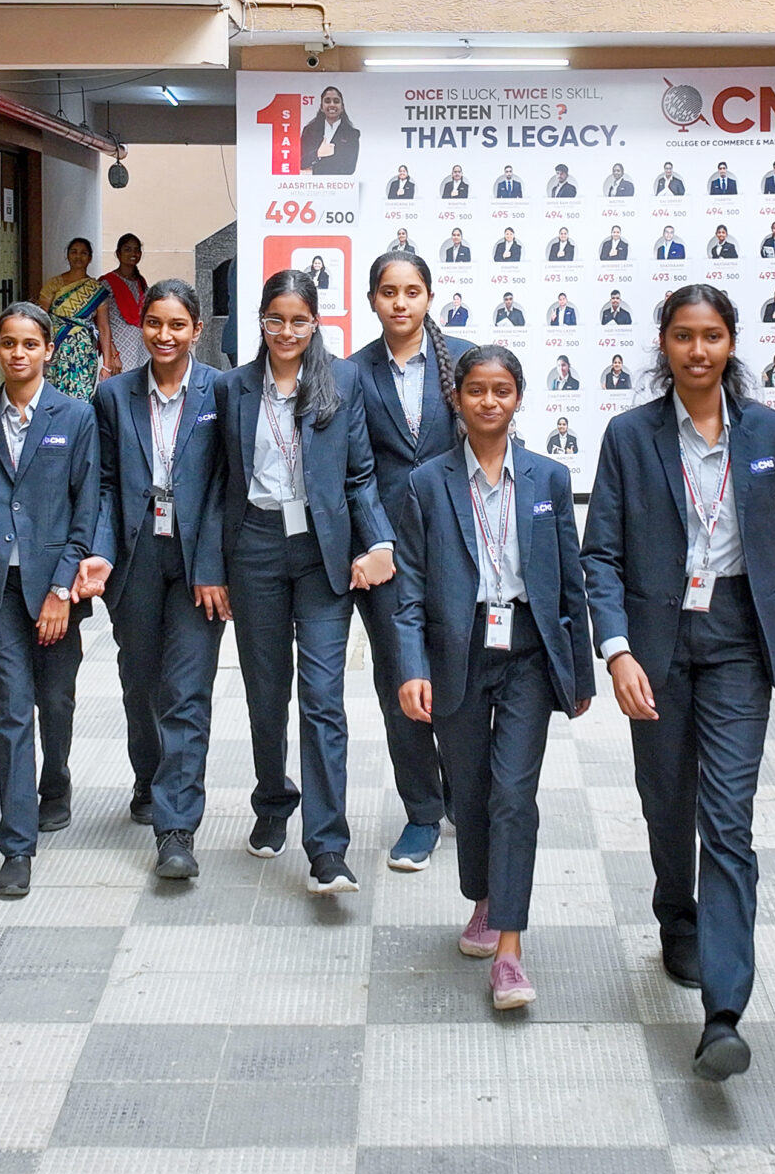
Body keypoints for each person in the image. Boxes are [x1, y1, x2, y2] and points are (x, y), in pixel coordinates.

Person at [583, 285, 775, 1081]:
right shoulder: (629, 436)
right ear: (663, 344)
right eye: (684, 336)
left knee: (727, 818)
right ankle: (677, 913)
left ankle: (724, 1013)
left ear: (732, 343)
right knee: (668, 801)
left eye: (713, 336)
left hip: (737, 641)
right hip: (657, 643)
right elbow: (601, 555)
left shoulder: (768, 432)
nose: (699, 351)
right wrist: (618, 652)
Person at [394, 346, 593, 1010]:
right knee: (473, 792)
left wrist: (580, 670)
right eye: (476, 389)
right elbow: (410, 588)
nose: (488, 401)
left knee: (513, 793)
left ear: (518, 397)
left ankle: (509, 948)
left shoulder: (548, 478)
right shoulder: (427, 482)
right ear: (457, 398)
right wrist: (412, 667)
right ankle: (483, 895)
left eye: (501, 390)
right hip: (458, 652)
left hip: (529, 652)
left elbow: (570, 580)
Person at [217, 269, 392, 894]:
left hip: (323, 553)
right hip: (255, 547)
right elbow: (217, 483)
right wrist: (213, 568)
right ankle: (272, 802)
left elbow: (360, 475)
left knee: (322, 698)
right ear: (261, 321)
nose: (286, 332)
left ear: (315, 322)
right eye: (275, 320)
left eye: (298, 321)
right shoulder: (233, 387)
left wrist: (378, 541)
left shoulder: (342, 381)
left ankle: (328, 847)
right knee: (266, 692)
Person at [0, 303, 103, 900]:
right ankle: (16, 844)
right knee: (11, 710)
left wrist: (62, 588)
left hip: (55, 586)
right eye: (8, 342)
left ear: (48, 352)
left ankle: (54, 780)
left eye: (30, 344)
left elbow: (87, 508)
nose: (19, 353)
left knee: (55, 700)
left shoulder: (76, 416)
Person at [92, 280, 228, 877]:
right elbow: (101, 483)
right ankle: (149, 778)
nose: (165, 336)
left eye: (177, 325)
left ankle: (177, 829)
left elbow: (229, 485)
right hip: (136, 554)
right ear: (141, 326)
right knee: (140, 680)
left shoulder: (222, 391)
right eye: (154, 323)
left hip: (200, 563)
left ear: (196, 330)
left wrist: (215, 565)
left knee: (187, 690)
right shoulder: (113, 395)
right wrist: (100, 552)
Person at [346, 251, 473, 870]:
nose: (400, 302)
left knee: (458, 676)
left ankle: (463, 795)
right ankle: (422, 811)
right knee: (401, 679)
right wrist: (377, 542)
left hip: (457, 547)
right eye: (389, 291)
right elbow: (355, 470)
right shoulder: (352, 372)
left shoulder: (464, 361)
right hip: (386, 557)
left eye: (412, 291)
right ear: (373, 299)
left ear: (429, 296)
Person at [37, 237, 113, 397]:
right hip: (56, 346)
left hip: (84, 352)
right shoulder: (54, 284)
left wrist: (107, 364)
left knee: (81, 393)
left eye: (83, 253)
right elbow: (41, 319)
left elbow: (104, 327)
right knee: (53, 393)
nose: (78, 256)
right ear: (67, 256)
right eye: (74, 252)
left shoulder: (96, 289)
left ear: (90, 258)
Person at [100, 234, 151, 374]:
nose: (133, 253)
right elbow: (102, 324)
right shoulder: (106, 283)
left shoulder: (141, 282)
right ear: (118, 253)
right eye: (127, 249)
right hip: (119, 348)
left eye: (136, 250)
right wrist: (112, 354)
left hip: (141, 347)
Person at [299, 86, 361, 175]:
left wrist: (313, 171)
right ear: (321, 107)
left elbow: (348, 168)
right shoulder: (309, 131)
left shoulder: (352, 134)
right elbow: (300, 162)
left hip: (338, 183)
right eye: (327, 101)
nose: (332, 104)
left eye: (336, 101)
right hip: (312, 183)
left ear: (342, 107)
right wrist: (318, 153)